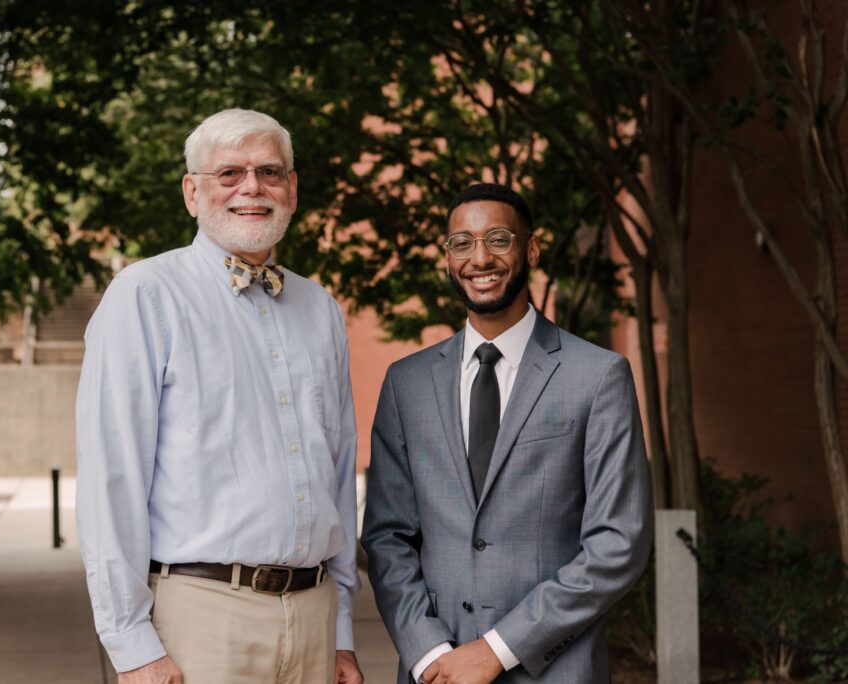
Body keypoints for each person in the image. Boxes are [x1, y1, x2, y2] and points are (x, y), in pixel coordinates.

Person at [76, 108, 363, 684]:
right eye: (229, 173)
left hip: (314, 617)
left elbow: (337, 472)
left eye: (269, 172)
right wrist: (132, 646)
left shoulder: (321, 309)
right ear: (192, 192)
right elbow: (113, 477)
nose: (251, 187)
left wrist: (341, 632)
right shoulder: (146, 294)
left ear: (292, 189)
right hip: (199, 621)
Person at [361, 183, 653, 684]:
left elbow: (617, 542)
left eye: (498, 239)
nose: (480, 258)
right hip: (437, 673)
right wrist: (428, 652)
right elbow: (388, 537)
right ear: (447, 256)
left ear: (531, 248)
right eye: (462, 243)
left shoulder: (598, 375)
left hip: (556, 669)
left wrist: (498, 649)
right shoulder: (405, 383)